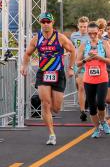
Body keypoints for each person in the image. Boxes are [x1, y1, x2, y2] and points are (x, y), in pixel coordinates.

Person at [20, 12, 75, 145]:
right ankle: (51, 134)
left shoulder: (60, 38)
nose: (45, 24)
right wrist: (24, 65)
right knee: (45, 103)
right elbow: (27, 53)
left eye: (48, 22)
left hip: (58, 73)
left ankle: (50, 111)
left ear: (52, 23)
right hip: (43, 73)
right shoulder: (36, 38)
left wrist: (71, 68)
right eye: (43, 22)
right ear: (40, 23)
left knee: (56, 108)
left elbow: (73, 50)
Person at [76, 22, 110, 138]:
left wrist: (98, 57)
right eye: (90, 33)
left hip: (102, 78)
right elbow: (77, 63)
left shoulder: (104, 43)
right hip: (88, 79)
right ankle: (96, 128)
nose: (92, 35)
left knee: (101, 103)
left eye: (94, 33)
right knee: (92, 107)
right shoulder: (84, 45)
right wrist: (86, 59)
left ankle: (103, 121)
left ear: (99, 32)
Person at [71, 16, 90, 122]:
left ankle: (85, 106)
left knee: (86, 87)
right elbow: (71, 48)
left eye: (85, 27)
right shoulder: (74, 36)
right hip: (78, 64)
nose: (83, 28)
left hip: (89, 64)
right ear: (78, 26)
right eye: (81, 26)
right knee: (80, 87)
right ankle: (82, 111)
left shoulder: (91, 35)